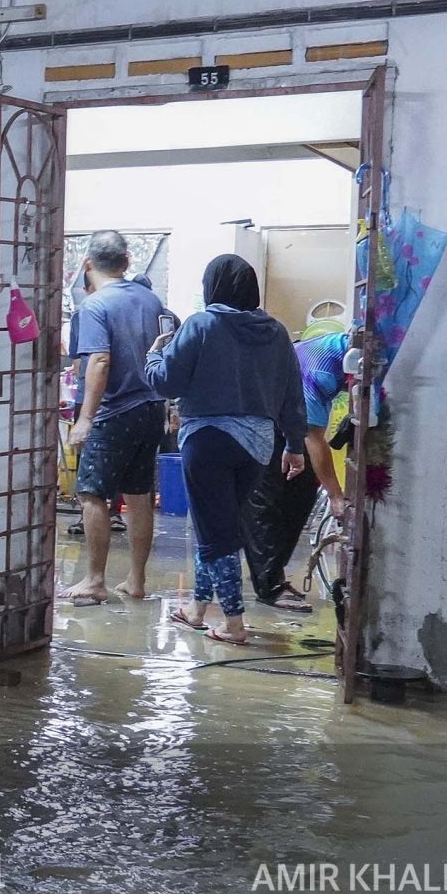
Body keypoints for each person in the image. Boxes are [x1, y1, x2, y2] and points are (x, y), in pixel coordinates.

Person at [144, 255, 307, 644]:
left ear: (211, 286)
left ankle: (234, 624)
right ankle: (197, 609)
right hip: (258, 446)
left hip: (209, 441)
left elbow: (165, 382)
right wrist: (295, 444)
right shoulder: (277, 332)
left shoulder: (202, 324)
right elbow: (291, 393)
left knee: (217, 533)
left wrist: (152, 355)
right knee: (216, 525)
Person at [62, 232, 169, 604]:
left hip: (115, 412)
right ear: (126, 263)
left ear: (88, 266)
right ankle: (136, 580)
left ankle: (94, 580)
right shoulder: (152, 300)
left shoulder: (94, 307)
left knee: (92, 494)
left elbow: (99, 361)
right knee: (139, 496)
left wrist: (85, 419)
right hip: (152, 408)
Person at [240, 329, 350, 611]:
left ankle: (273, 575)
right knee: (267, 500)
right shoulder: (321, 368)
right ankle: (269, 586)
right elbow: (313, 438)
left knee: (300, 497)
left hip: (284, 415)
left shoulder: (345, 351)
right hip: (263, 419)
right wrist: (337, 495)